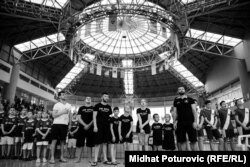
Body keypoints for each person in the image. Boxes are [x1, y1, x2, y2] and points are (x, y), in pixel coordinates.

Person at [172, 87, 198, 151]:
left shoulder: (190, 99)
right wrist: (174, 122)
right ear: (178, 91)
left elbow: (194, 111)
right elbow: (175, 112)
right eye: (179, 89)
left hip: (190, 122)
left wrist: (195, 122)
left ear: (184, 90)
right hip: (180, 123)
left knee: (193, 140)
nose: (181, 90)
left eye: (182, 89)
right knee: (182, 141)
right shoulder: (176, 100)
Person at [49, 91, 72, 164]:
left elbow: (70, 115)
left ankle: (62, 157)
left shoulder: (69, 105)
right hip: (56, 124)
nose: (64, 95)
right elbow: (54, 115)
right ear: (59, 97)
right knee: (54, 141)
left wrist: (70, 124)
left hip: (65, 125)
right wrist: (63, 112)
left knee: (63, 141)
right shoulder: (56, 105)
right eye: (62, 94)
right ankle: (52, 157)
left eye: (64, 94)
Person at [91, 92, 112, 166]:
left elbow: (109, 117)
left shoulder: (109, 107)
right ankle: (95, 160)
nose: (106, 98)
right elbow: (94, 117)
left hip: (106, 127)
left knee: (105, 143)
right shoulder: (97, 106)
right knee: (97, 143)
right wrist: (95, 126)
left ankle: (105, 159)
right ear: (102, 97)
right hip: (98, 126)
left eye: (107, 97)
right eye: (105, 96)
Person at [76, 97, 94, 163]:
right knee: (80, 144)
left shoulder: (93, 108)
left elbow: (94, 118)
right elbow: (78, 118)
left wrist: (89, 125)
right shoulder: (81, 108)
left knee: (90, 144)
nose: (88, 99)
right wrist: (85, 125)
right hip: (82, 128)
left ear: (91, 100)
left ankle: (90, 159)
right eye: (87, 98)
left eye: (90, 98)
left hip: (90, 128)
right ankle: (78, 159)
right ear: (84, 100)